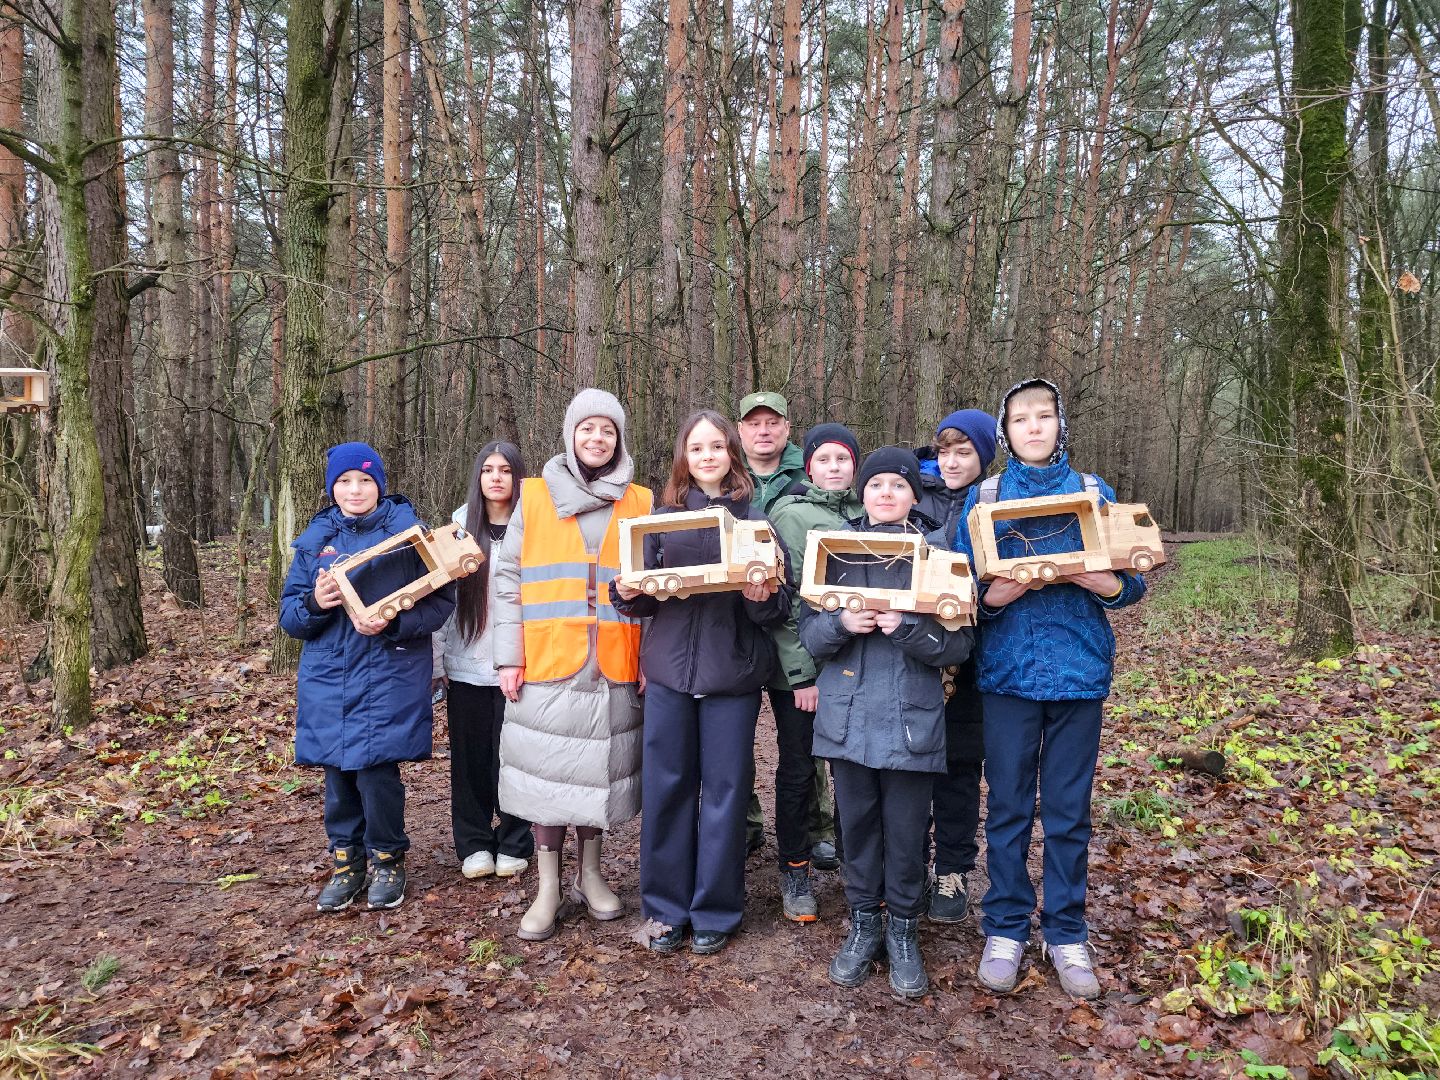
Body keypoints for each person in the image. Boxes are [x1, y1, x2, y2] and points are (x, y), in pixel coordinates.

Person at [952, 379, 1146, 1000]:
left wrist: (1104, 583)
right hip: (1007, 678)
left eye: (1044, 416)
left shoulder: (1093, 493)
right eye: (1020, 419)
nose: (1032, 427)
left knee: (1068, 815)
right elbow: (960, 594)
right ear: (1006, 432)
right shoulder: (985, 499)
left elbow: (1133, 581)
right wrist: (991, 598)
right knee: (1007, 808)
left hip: (1079, 675)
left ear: (1060, 424)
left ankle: (1066, 931)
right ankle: (1005, 927)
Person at [612, 411, 791, 955]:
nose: (708, 455)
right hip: (667, 674)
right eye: (697, 448)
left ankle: (715, 910)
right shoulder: (660, 520)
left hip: (730, 677)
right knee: (666, 790)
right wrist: (625, 590)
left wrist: (763, 597)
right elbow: (640, 599)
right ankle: (665, 910)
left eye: (717, 446)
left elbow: (776, 609)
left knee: (725, 793)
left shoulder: (756, 521)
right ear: (684, 459)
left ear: (732, 454)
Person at [799, 447, 973, 998]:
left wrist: (907, 629)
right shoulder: (834, 551)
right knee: (856, 826)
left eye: (898, 485)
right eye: (876, 485)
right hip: (847, 718)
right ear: (863, 492)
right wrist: (843, 623)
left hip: (909, 721)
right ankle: (862, 924)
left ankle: (902, 929)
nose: (886, 494)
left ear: (913, 496)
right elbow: (809, 635)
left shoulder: (938, 555)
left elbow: (959, 646)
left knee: (904, 830)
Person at [491, 390, 652, 941]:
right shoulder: (532, 497)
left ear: (619, 438)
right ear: (570, 434)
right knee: (547, 776)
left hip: (613, 661)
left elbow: (654, 588)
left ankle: (591, 876)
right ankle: (548, 888)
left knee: (595, 775)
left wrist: (648, 656)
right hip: (546, 659)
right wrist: (508, 657)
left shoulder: (640, 500)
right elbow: (507, 580)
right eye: (587, 429)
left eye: (607, 430)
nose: (597, 439)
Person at [280, 442, 456, 913]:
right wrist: (315, 603)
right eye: (344, 482)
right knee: (337, 774)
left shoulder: (410, 535)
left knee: (378, 772)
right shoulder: (313, 541)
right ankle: (346, 862)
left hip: (388, 672)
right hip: (329, 675)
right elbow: (290, 616)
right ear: (331, 488)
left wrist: (394, 620)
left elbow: (440, 603)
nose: (354, 490)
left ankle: (387, 859)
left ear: (379, 484)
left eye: (364, 481)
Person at [765, 423, 863, 922]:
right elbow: (783, 605)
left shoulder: (867, 514)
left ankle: (856, 870)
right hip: (799, 673)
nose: (833, 468)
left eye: (842, 460)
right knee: (799, 768)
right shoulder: (789, 513)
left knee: (851, 771)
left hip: (855, 669)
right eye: (824, 460)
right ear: (809, 467)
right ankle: (794, 867)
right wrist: (802, 675)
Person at [736, 391, 838, 869]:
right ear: (740, 432)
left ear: (786, 427)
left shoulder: (812, 474)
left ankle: (816, 826)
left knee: (802, 736)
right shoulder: (729, 479)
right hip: (735, 626)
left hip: (796, 623)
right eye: (753, 423)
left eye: (772, 422)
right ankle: (747, 822)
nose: (763, 431)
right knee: (734, 736)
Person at [432, 442, 534, 881]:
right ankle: (473, 841)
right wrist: (437, 663)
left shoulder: (536, 529)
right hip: (468, 664)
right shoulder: (456, 531)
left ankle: (515, 839)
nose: (496, 477)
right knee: (471, 758)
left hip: (522, 665)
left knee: (518, 757)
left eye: (505, 470)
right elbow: (438, 603)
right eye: (488, 469)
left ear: (518, 479)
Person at [913, 410, 997, 924]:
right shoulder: (911, 492)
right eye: (944, 451)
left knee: (961, 766)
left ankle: (953, 869)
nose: (951, 462)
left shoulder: (992, 501)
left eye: (963, 452)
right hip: (916, 649)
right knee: (911, 763)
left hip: (974, 653)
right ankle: (909, 864)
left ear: (984, 456)